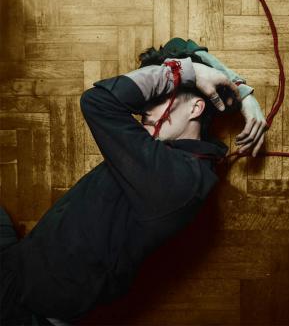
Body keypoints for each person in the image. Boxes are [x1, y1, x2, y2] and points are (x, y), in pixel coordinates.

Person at [0, 39, 267, 325]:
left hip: (26, 305)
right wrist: (241, 92)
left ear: (195, 108)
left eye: (159, 97)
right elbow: (177, 46)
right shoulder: (173, 153)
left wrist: (185, 73)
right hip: (19, 260)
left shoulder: (175, 179)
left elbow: (96, 101)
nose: (143, 108)